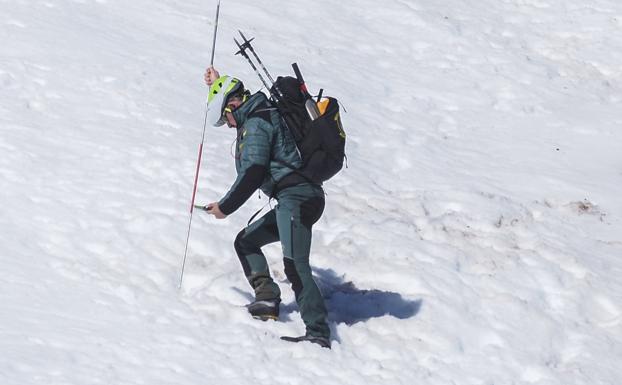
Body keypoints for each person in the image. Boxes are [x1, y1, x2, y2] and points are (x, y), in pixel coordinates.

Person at [203, 67, 331, 348]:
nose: (230, 125)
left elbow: (254, 172)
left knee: (295, 265)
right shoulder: (258, 112)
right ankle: (267, 300)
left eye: (226, 118)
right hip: (294, 198)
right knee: (246, 242)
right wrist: (217, 82)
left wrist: (226, 207)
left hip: (297, 197)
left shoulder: (256, 123)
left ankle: (318, 332)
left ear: (233, 106)